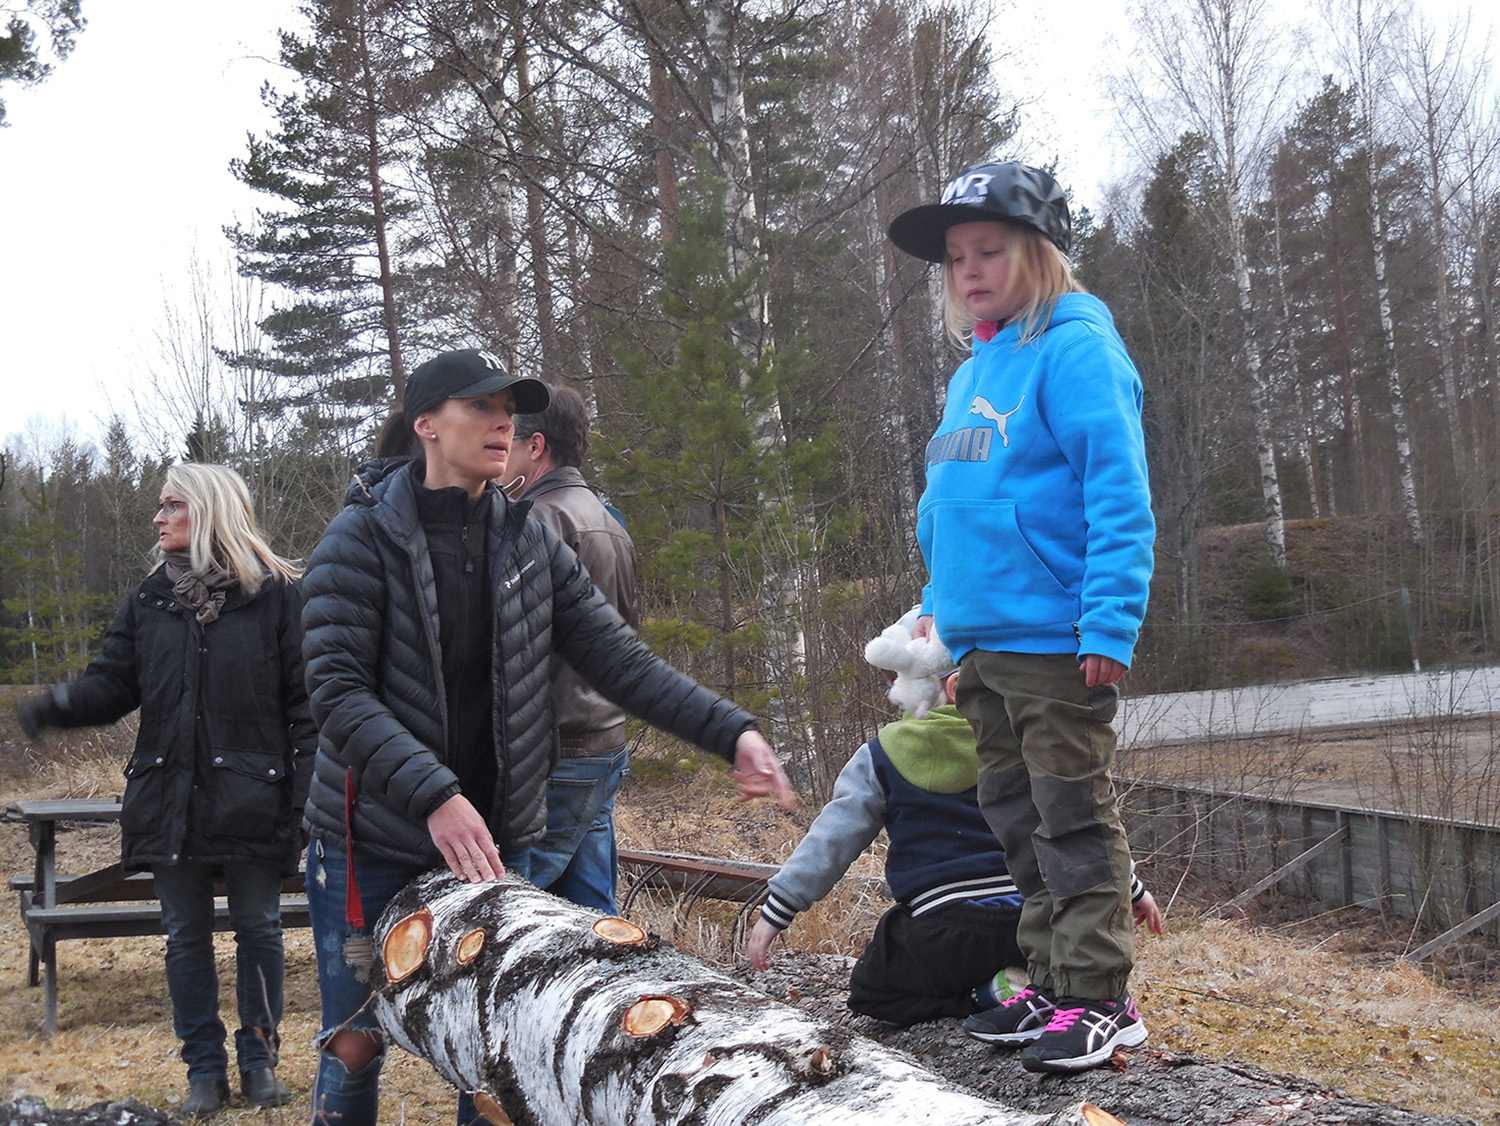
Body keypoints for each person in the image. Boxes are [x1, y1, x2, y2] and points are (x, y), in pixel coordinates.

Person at [300, 347, 795, 1126]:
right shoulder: (357, 541)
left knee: (497, 1051)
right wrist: (436, 795)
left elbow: (619, 660)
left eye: (510, 410)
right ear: (427, 425)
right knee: (358, 1040)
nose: (503, 423)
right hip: (372, 838)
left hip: (495, 841)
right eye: (480, 408)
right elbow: (337, 694)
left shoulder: (528, 541)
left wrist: (729, 730)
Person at [887, 161, 1157, 1073]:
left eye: (988, 250)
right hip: (985, 643)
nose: (968, 270)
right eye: (956, 258)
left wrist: (1109, 624)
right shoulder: (977, 367)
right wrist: (942, 619)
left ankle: (1101, 996)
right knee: (1013, 813)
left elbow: (1119, 495)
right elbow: (945, 510)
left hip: (1055, 637)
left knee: (1072, 811)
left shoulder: (1077, 350)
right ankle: (1047, 973)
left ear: (1039, 251)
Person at [16, 463, 313, 1118]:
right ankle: (202, 1072)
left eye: (171, 504)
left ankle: (260, 1063)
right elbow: (113, 685)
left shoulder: (279, 597)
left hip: (255, 802)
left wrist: (307, 800)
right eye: (159, 506)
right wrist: (56, 705)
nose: (158, 517)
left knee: (259, 930)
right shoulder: (150, 597)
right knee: (184, 936)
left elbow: (308, 711)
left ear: (208, 510)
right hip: (169, 801)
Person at [747, 612, 1162, 1029]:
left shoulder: (881, 754)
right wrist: (1130, 887)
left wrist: (780, 908)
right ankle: (1030, 987)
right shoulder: (1021, 746)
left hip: (943, 934)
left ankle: (985, 996)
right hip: (1036, 926)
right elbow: (1076, 827)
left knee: (874, 993)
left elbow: (832, 839)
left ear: (948, 686)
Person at [499, 384, 638, 913]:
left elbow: (514, 649)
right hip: (603, 742)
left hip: (558, 749)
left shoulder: (537, 520)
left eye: (508, 439)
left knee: (519, 918)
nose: (500, 452)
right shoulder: (608, 518)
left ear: (535, 447)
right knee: (594, 916)